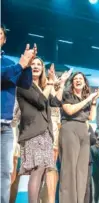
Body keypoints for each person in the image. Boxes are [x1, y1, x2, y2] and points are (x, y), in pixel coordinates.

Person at [16, 58, 70, 203]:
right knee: (37, 168)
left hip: (46, 133)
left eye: (39, 64)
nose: (36, 66)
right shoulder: (24, 84)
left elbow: (55, 102)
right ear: (28, 67)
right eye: (33, 64)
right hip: (32, 131)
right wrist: (51, 84)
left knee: (42, 170)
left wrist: (62, 83)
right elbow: (40, 101)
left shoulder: (42, 86)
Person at [1, 24, 35, 203]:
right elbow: (3, 75)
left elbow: (25, 84)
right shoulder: (10, 67)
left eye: (0, 35)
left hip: (5, 126)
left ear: (4, 40)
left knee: (5, 173)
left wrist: (27, 66)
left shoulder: (9, 64)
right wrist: (20, 65)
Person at [59, 72, 99, 203]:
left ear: (84, 82)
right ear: (72, 82)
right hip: (70, 128)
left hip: (84, 130)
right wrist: (88, 99)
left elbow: (90, 117)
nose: (78, 80)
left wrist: (93, 101)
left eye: (80, 79)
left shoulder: (85, 97)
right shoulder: (67, 94)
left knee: (82, 170)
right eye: (75, 79)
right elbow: (70, 111)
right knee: (69, 169)